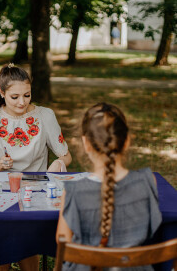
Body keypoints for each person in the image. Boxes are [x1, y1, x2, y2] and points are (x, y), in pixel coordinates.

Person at [56, 103, 162, 271]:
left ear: (86, 144)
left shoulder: (72, 192)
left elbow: (64, 246)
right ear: (126, 141)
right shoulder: (148, 182)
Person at [0, 63, 72, 173]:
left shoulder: (45, 116)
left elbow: (67, 156)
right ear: (2, 93)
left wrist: (59, 163)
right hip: (3, 186)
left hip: (37, 184)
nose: (22, 102)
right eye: (15, 97)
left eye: (27, 95)